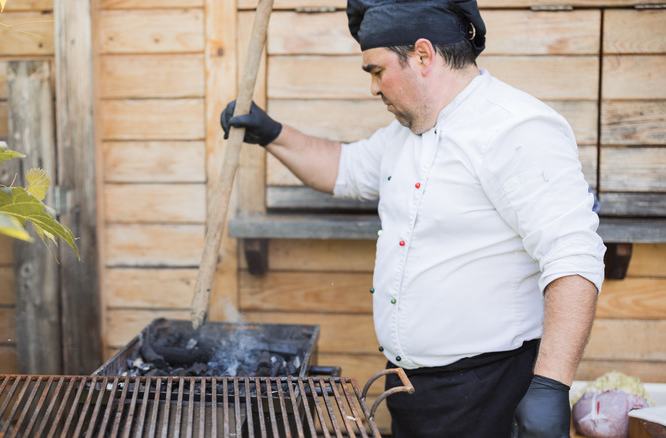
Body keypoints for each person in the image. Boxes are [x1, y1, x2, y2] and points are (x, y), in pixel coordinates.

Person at [220, 0, 606, 436]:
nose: (373, 88)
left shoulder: (516, 129)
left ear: (423, 55)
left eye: (376, 70)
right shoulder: (405, 134)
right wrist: (272, 133)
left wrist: (550, 385)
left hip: (489, 391)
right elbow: (341, 169)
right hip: (411, 390)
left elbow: (573, 257)